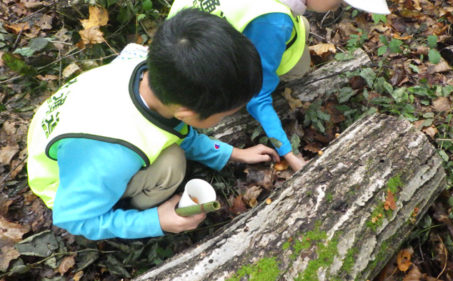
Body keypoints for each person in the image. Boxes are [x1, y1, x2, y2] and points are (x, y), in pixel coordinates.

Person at [26, 8, 279, 240]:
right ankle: (124, 206)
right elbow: (73, 218)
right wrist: (154, 220)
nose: (223, 118)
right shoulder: (114, 154)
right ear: (186, 113)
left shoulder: (140, 63)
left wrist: (232, 154)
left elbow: (176, 130)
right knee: (172, 165)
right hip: (64, 182)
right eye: (224, 114)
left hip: (66, 136)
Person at [167, 0, 390, 171]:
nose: (336, 7)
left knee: (300, 23)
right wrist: (289, 152)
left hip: (177, 44)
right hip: (203, 72)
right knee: (296, 45)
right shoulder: (275, 21)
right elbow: (257, 96)